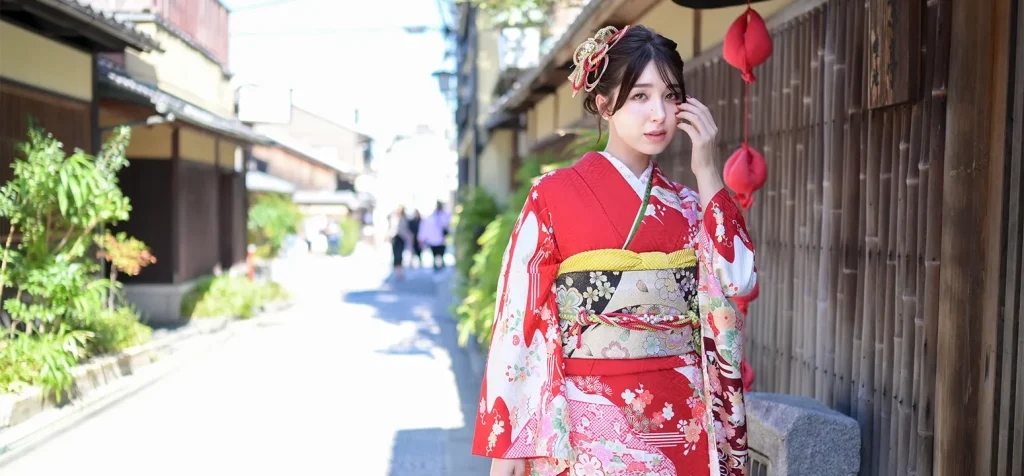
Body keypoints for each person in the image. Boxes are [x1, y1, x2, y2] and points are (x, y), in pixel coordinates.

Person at [472, 25, 757, 476]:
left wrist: (707, 170)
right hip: (588, 425)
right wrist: (507, 452)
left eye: (670, 96)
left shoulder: (689, 203)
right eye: (640, 96)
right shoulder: (552, 196)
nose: (658, 114)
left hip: (682, 419)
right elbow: (517, 323)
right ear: (604, 105)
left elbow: (739, 280)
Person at [417, 201, 451, 272]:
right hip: (433, 240)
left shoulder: (444, 215)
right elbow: (424, 229)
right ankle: (437, 266)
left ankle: (440, 266)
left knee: (441, 253)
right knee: (435, 254)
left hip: (441, 239)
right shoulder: (431, 217)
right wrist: (421, 239)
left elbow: (446, 224)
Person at [387, 206, 412, 280]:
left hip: (401, 238)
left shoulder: (404, 219)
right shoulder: (393, 218)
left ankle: (400, 271)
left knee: (400, 255)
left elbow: (406, 229)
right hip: (394, 238)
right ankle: (397, 272)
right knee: (395, 255)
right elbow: (391, 228)